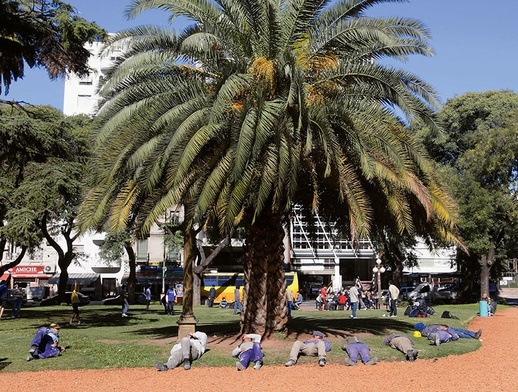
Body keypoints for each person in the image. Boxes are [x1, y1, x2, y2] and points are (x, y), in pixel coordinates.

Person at [414, 322, 481, 342]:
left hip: (444, 328)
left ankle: (474, 334)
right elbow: (431, 333)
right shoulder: (425, 331)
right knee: (459, 333)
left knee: (459, 330)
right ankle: (473, 337)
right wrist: (440, 328)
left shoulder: (426, 327)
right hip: (444, 331)